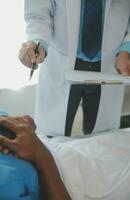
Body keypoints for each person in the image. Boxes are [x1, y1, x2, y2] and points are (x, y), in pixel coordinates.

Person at [19, 0, 130, 137]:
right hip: (61, 59)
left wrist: (127, 48)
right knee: (51, 136)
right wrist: (37, 41)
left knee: (103, 138)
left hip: (112, 61)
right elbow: (38, 14)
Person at [0, 116, 130, 200]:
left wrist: (21, 125)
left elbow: (22, 121)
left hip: (63, 149)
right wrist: (39, 154)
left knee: (123, 137)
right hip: (73, 184)